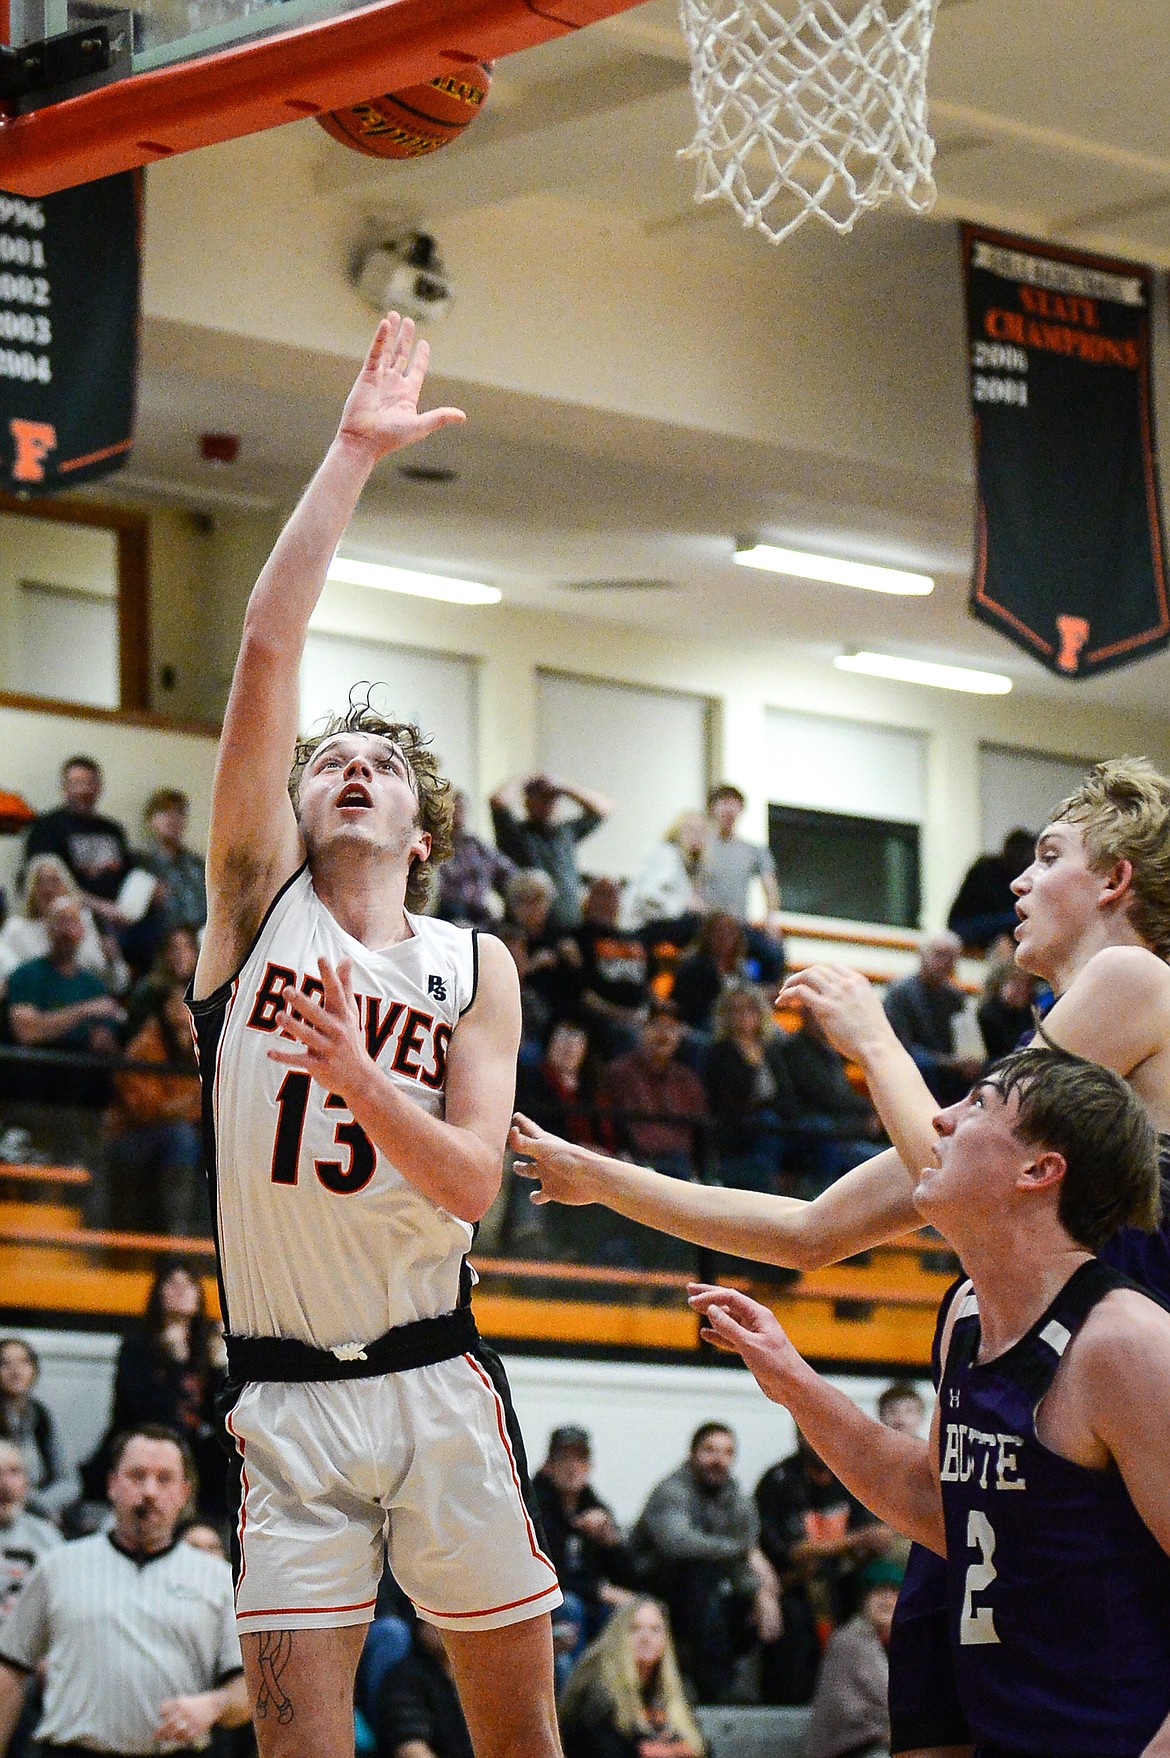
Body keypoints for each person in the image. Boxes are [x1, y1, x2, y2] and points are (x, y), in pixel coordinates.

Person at [512, 757, 1170, 1758]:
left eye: (1046, 859)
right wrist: (605, 1180)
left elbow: (961, 1170)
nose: (1018, 885)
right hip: (1013, 1422)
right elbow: (811, 1233)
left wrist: (874, 1039)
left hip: (1112, 1422)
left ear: (1115, 881)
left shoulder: (1135, 980)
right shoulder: (1014, 1104)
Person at [186, 314, 562, 1758]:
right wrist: (348, 454)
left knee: (517, 1739)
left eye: (382, 761)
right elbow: (268, 642)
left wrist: (353, 1072)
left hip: (435, 1372)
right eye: (330, 759)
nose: (351, 766)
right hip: (284, 1390)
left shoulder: (477, 966)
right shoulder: (253, 910)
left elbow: (471, 1182)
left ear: (424, 823)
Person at [689, 1045, 1170, 1758]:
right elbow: (933, 1503)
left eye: (978, 1104)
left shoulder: (1124, 1345)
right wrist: (791, 1378)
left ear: (1039, 1171)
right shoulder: (967, 1315)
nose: (939, 1120)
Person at [0, 1424, 249, 1758]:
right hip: (72, 1752)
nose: (149, 1491)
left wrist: (214, 1705)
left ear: (184, 1492)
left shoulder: (217, 1578)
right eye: (136, 1475)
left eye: (164, 1479)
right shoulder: (58, 1566)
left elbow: (249, 1689)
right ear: (112, 1485)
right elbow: (11, 1670)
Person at [628, 1422, 780, 1704]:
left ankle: (778, 1695)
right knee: (702, 1575)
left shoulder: (735, 1496)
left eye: (726, 1452)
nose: (718, 1459)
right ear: (692, 1453)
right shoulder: (671, 1490)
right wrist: (743, 1551)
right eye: (710, 1450)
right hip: (652, 1583)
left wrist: (761, 1593)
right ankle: (716, 1688)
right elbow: (678, 1544)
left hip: (700, 1590)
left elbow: (741, 1556)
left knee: (756, 1601)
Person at [83, 1263, 227, 1522]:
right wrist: (173, 1365)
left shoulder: (209, 1347)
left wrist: (220, 1369)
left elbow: (218, 1414)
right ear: (159, 1293)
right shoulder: (138, 1346)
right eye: (173, 1284)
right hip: (145, 1441)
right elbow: (139, 1409)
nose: (181, 1291)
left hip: (198, 1453)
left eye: (189, 1285)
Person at [754, 1433, 887, 1706]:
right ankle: (791, 1703)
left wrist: (871, 1543)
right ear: (798, 1436)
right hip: (788, 1582)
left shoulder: (851, 1478)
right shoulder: (779, 1481)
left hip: (843, 1579)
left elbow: (871, 1539)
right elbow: (791, 1551)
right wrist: (856, 1541)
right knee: (794, 1618)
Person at [529, 1426, 631, 1684]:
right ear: (549, 1466)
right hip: (542, 1601)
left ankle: (608, 1693)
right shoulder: (534, 1505)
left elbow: (627, 1574)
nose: (573, 1467)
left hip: (586, 1600)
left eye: (580, 1459)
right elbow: (544, 1570)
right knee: (570, 1604)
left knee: (628, 1610)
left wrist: (610, 1541)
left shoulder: (595, 1505)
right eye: (564, 1459)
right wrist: (597, 1590)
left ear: (590, 1465)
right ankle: (578, 1690)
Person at [5, 896, 125, 1112]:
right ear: (47, 929)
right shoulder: (26, 975)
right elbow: (26, 1031)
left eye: (73, 922)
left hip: (82, 1091)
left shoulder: (94, 984)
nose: (66, 931)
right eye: (60, 922)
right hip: (33, 1083)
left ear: (82, 930)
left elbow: (107, 1042)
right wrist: (84, 1010)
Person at [106, 981, 206, 1236]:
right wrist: (192, 1105)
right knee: (181, 1137)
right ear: (166, 1010)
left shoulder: (204, 1044)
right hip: (131, 1138)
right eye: (180, 1004)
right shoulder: (145, 1045)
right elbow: (147, 1110)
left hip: (182, 1135)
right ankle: (176, 1236)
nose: (186, 1012)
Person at [558, 1597, 705, 1758]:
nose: (646, 1638)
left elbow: (702, 1748)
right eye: (635, 1629)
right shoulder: (596, 1694)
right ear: (617, 1637)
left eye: (655, 1629)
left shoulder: (679, 1691)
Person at [596, 1002, 707, 1183]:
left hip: (681, 1168)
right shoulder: (619, 1073)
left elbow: (701, 1134)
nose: (664, 1034)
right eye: (656, 1026)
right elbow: (609, 1125)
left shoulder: (688, 1080)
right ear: (641, 1030)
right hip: (635, 1164)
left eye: (671, 1028)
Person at [702, 985, 796, 1193]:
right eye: (735, 1010)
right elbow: (734, 1095)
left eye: (748, 1009)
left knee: (810, 1129)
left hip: (774, 1124)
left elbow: (786, 1094)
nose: (743, 1016)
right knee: (767, 1122)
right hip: (736, 1126)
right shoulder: (719, 1052)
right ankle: (764, 1189)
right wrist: (752, 1067)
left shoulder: (770, 1049)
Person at [490, 774, 613, 933]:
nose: (548, 803)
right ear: (528, 801)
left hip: (569, 926)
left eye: (552, 798)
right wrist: (526, 780)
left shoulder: (565, 832)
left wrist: (563, 786)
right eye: (541, 797)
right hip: (530, 932)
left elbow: (603, 808)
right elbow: (497, 801)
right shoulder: (516, 834)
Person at [805, 1559, 902, 1758]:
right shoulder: (847, 1641)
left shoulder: (908, 1645)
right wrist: (886, 1733)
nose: (887, 1600)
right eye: (878, 1592)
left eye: (893, 1592)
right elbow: (842, 1709)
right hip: (854, 1749)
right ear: (863, 1600)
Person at [23, 757, 132, 930]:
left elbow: (129, 874)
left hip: (119, 917)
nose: (84, 790)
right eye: (77, 783)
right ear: (64, 789)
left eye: (90, 783)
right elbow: (46, 887)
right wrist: (102, 908)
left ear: (99, 788)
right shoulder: (46, 827)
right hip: (71, 917)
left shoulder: (113, 830)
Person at [0, 855, 127, 998]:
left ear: (67, 886)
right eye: (40, 882)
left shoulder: (86, 920)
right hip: (39, 1003)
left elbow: (119, 984)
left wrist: (112, 961)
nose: (48, 889)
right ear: (31, 890)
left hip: (88, 998)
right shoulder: (15, 928)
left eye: (55, 881)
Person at [697, 786, 784, 985]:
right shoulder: (700, 844)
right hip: (704, 925)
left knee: (773, 952)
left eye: (734, 804)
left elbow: (770, 887)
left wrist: (771, 918)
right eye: (724, 803)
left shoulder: (753, 849)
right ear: (713, 808)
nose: (729, 809)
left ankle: (761, 1004)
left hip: (738, 926)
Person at [880, 933, 980, 1105]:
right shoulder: (899, 993)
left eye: (951, 957)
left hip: (947, 1067)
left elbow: (963, 1043)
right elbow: (900, 1045)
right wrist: (946, 1062)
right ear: (922, 955)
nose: (945, 962)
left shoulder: (956, 997)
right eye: (939, 954)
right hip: (912, 1063)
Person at [569, 879, 651, 1060]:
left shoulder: (634, 941)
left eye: (613, 896)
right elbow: (584, 995)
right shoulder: (577, 939)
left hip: (641, 1016)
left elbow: (646, 985)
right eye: (602, 895)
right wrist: (625, 1015)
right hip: (603, 1018)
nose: (607, 902)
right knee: (627, 1036)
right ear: (588, 900)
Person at [373, 1618, 475, 1758]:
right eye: (432, 1619)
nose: (442, 1626)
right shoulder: (405, 1677)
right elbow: (409, 1746)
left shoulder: (479, 1674)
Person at [0, 1340, 66, 1518]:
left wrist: (42, 1505)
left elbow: (68, 1481)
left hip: (36, 1511)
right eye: (5, 1363)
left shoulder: (41, 1415)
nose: (16, 1371)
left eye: (24, 1362)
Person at [619, 814, 708, 943]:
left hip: (648, 925)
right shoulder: (668, 855)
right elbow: (647, 895)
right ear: (678, 831)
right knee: (699, 927)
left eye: (701, 832)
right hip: (638, 928)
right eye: (691, 830)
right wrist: (685, 904)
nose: (697, 836)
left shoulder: (685, 862)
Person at [945, 828, 1035, 954]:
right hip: (969, 926)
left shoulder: (1027, 877)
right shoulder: (985, 871)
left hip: (997, 928)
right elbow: (958, 922)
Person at [435, 791, 516, 928]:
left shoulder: (477, 845)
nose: (457, 815)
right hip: (451, 913)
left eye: (460, 809)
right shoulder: (434, 846)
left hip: (484, 912)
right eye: (452, 809)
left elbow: (509, 872)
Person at [975, 958, 1037, 1062]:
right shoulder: (988, 1013)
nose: (1023, 989)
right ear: (1000, 984)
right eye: (1016, 984)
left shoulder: (1030, 1012)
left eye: (1028, 984)